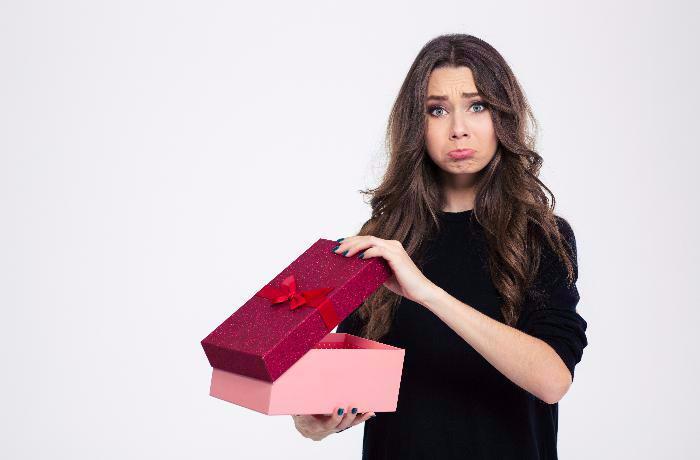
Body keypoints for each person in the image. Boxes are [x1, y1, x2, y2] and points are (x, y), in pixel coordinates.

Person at [291, 33, 588, 459]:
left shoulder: (541, 236)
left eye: (477, 105)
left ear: (503, 116)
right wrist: (312, 421)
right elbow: (343, 389)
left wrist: (426, 292)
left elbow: (553, 380)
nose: (458, 128)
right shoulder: (381, 239)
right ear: (417, 125)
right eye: (437, 110)